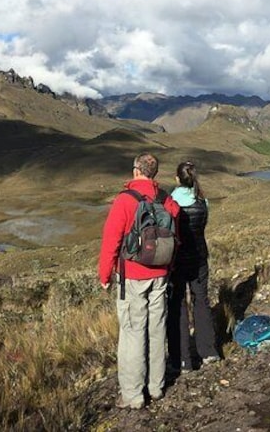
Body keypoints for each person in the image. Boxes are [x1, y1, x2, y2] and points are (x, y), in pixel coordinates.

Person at [98, 153, 180, 409]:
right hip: (161, 274)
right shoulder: (165, 198)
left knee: (133, 333)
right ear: (153, 173)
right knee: (156, 330)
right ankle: (156, 387)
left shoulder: (125, 200)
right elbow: (176, 227)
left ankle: (133, 395)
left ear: (136, 171)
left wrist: (105, 275)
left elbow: (111, 239)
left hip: (132, 276)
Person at [167, 161, 220, 374]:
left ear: (177, 178)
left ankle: (182, 360)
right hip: (199, 257)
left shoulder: (171, 202)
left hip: (178, 259)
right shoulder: (202, 201)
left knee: (178, 305)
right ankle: (208, 351)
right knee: (201, 302)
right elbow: (202, 228)